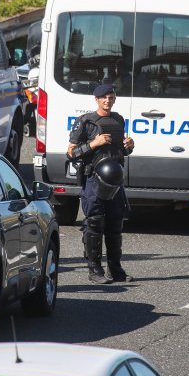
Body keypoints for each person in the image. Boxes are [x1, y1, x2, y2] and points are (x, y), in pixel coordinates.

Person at [67, 83, 135, 284]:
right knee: (95, 223)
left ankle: (115, 269)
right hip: (93, 179)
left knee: (115, 223)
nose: (108, 101)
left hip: (114, 180)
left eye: (111, 97)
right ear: (96, 99)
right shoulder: (86, 121)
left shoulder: (118, 120)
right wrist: (93, 144)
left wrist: (129, 146)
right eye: (104, 97)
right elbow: (70, 152)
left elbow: (120, 151)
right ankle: (94, 270)